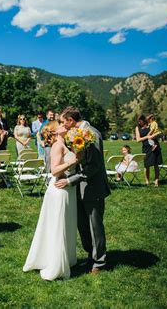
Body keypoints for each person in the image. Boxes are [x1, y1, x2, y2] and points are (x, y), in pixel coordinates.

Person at [54, 106, 111, 275]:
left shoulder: (92, 134)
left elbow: (94, 166)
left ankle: (99, 262)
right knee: (83, 225)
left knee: (95, 226)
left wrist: (70, 180)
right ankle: (90, 256)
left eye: (64, 122)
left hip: (93, 187)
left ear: (71, 121)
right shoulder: (73, 133)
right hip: (78, 187)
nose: (63, 126)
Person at [23, 120, 79, 280]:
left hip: (67, 189)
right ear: (55, 132)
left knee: (65, 225)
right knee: (58, 227)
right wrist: (70, 162)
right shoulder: (57, 146)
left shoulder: (65, 143)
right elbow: (54, 170)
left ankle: (66, 259)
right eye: (60, 125)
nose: (64, 125)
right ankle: (55, 264)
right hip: (59, 190)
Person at [135, 115, 163, 187]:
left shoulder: (151, 125)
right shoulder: (138, 128)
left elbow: (157, 133)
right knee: (146, 165)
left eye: (140, 121)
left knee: (156, 164)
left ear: (144, 120)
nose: (139, 122)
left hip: (155, 146)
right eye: (138, 121)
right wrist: (147, 137)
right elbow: (138, 140)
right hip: (146, 148)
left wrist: (156, 135)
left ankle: (156, 181)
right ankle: (147, 181)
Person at [38, 109, 55, 175]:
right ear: (47, 115)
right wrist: (42, 142)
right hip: (48, 146)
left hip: (55, 145)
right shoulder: (44, 124)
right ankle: (48, 179)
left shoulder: (55, 123)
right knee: (49, 162)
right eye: (51, 115)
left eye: (53, 115)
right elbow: (39, 134)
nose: (52, 116)